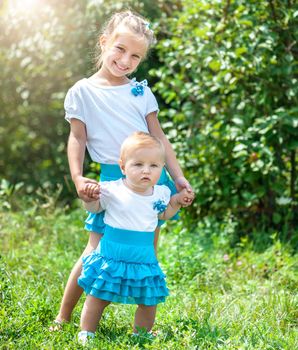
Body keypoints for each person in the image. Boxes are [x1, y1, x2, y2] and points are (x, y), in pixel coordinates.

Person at [52, 10, 194, 328]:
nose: (126, 60)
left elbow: (159, 138)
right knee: (94, 250)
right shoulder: (82, 92)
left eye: (135, 56)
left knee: (146, 252)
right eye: (120, 49)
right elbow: (77, 138)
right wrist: (77, 177)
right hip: (112, 181)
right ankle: (63, 317)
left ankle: (141, 328)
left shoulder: (141, 93)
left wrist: (179, 177)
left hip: (151, 179)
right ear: (104, 43)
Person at [77, 132, 194, 344]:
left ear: (161, 168)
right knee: (99, 295)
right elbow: (95, 209)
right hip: (112, 254)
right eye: (138, 164)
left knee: (148, 300)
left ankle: (141, 334)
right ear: (123, 166)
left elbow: (163, 214)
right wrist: (88, 199)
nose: (146, 171)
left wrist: (177, 201)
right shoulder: (111, 190)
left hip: (143, 257)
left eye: (154, 166)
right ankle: (87, 332)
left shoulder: (160, 193)